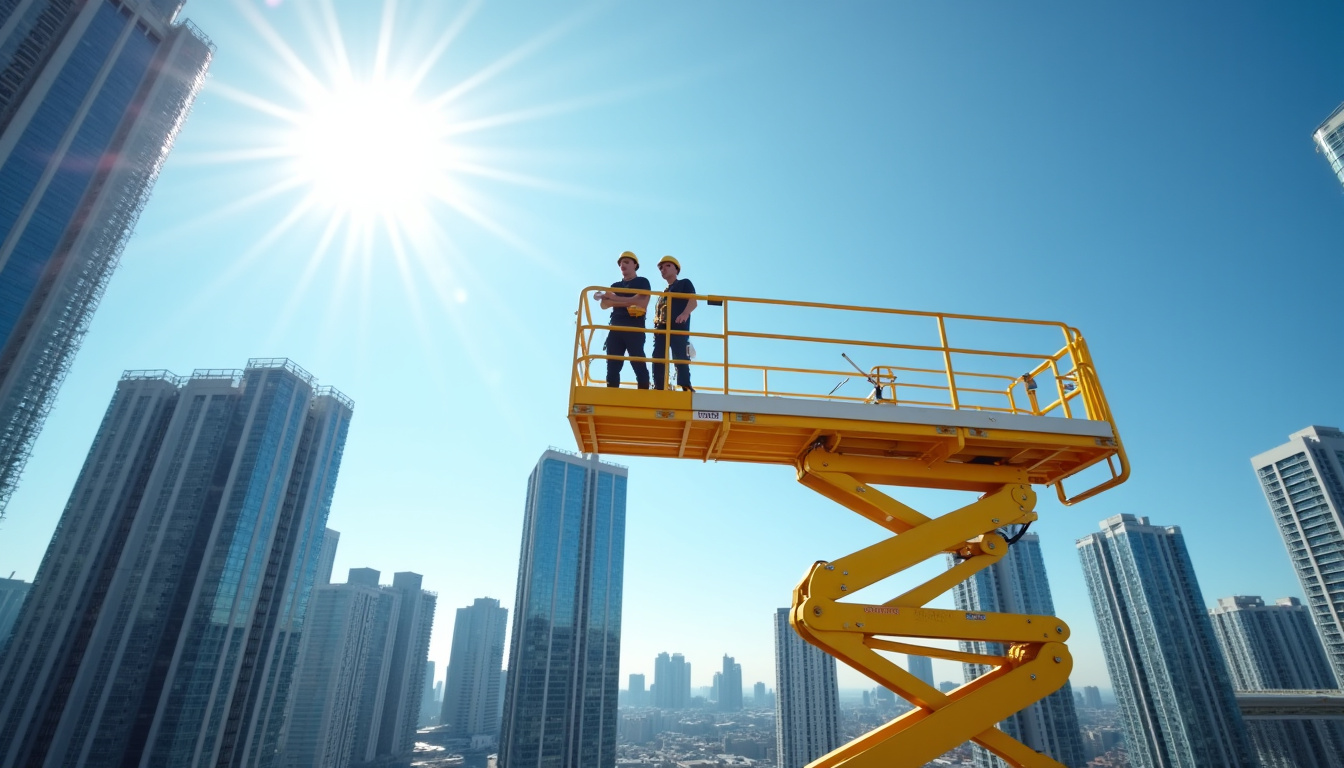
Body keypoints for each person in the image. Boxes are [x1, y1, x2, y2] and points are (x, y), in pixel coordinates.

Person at [592, 251, 650, 388]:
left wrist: (614, 299)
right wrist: (630, 301)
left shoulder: (642, 282)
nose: (622, 265)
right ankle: (611, 392)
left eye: (626, 262)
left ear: (635, 265)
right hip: (615, 328)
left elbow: (642, 303)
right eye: (621, 263)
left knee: (638, 362)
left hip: (634, 327)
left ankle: (644, 393)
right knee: (612, 364)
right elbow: (604, 305)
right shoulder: (614, 286)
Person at [652, 255, 697, 391]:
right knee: (658, 356)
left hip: (678, 326)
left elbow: (693, 301)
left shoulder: (684, 283)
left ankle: (685, 385)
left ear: (676, 269)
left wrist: (685, 314)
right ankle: (659, 386)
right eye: (661, 267)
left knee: (680, 356)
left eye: (667, 266)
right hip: (661, 329)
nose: (663, 269)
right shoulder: (663, 294)